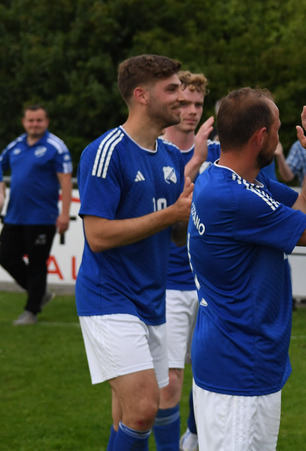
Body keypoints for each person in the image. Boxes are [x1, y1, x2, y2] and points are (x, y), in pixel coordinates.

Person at [188, 89, 306, 450]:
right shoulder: (236, 198)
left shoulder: (229, 179)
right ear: (260, 136)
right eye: (276, 128)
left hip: (237, 360)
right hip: (239, 368)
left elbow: (302, 208)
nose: (279, 137)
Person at [75, 55, 197, 451]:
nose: (182, 98)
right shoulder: (106, 151)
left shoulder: (169, 155)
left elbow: (174, 236)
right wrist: (170, 215)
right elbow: (97, 236)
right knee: (145, 408)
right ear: (142, 95)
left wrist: (187, 214)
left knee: (131, 414)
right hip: (108, 298)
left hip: (151, 300)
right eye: (172, 89)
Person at [155, 71, 214, 451]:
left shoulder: (219, 152)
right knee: (171, 379)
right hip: (170, 283)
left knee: (208, 372)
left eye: (198, 104)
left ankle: (192, 436)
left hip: (212, 284)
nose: (191, 111)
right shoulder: (153, 150)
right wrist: (196, 161)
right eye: (185, 103)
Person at [0, 104, 73, 325]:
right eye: (30, 120)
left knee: (37, 264)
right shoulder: (16, 145)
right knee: (5, 256)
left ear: (46, 122)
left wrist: (65, 214)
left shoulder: (55, 146)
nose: (34, 124)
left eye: (39, 120)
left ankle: (31, 311)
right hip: (14, 216)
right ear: (24, 122)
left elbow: (66, 182)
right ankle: (40, 293)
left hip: (42, 217)